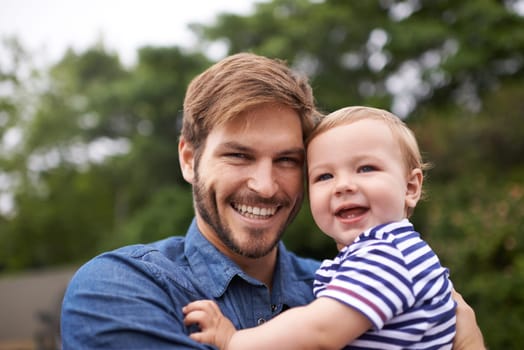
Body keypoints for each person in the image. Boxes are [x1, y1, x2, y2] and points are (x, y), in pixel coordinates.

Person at [60, 53, 485, 349]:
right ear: (190, 159)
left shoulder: (342, 283)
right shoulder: (122, 290)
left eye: (286, 160)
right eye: (238, 155)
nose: (265, 186)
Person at [182, 106, 461, 349]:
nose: (343, 186)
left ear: (411, 187)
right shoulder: (373, 257)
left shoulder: (388, 255)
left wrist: (234, 341)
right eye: (324, 176)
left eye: (365, 168)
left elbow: (320, 331)